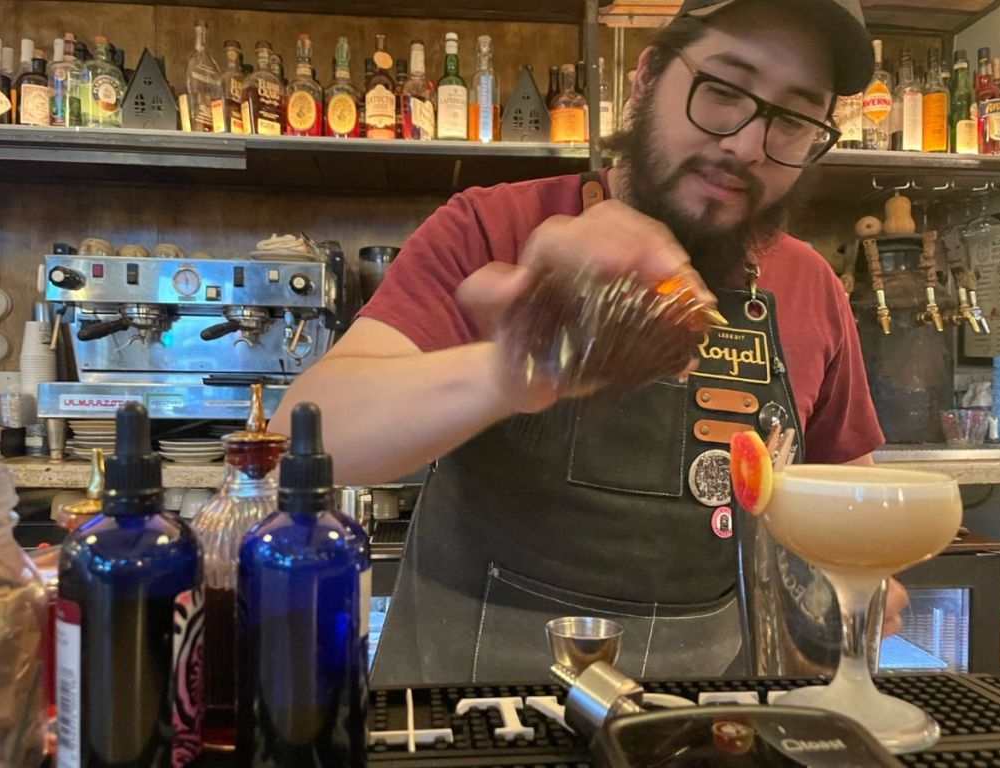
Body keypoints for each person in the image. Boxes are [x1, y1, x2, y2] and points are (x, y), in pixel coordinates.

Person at [271, 0, 909, 684]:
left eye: (794, 120)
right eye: (723, 90)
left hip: (705, 709)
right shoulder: (491, 227)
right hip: (469, 702)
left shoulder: (810, 285)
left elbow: (850, 493)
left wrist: (853, 574)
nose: (749, 145)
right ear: (645, 79)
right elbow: (301, 440)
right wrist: (508, 371)